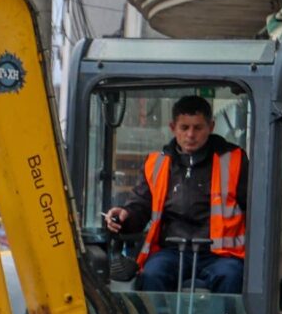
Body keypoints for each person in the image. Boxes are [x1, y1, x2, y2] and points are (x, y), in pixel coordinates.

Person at [101, 93, 246, 294]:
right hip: (171, 252)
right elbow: (141, 204)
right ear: (172, 128)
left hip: (220, 255)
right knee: (153, 274)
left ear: (211, 127)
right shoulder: (157, 164)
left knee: (231, 276)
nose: (190, 135)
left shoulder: (234, 160)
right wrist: (126, 215)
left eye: (198, 128)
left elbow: (254, 209)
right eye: (184, 128)